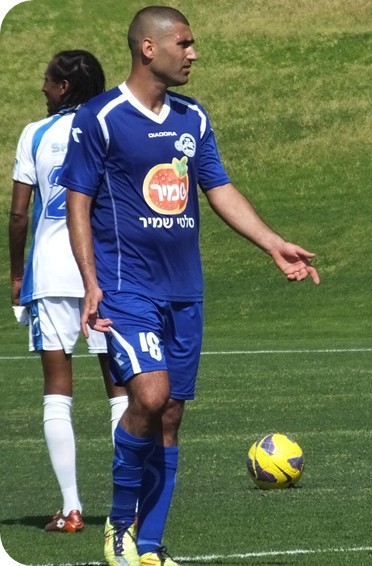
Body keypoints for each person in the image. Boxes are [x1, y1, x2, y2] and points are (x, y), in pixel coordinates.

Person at [59, 6, 320, 566]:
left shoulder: (192, 117)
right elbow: (77, 203)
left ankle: (151, 547)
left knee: (171, 415)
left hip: (185, 291)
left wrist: (272, 243)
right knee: (150, 396)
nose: (193, 53)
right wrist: (90, 282)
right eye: (185, 43)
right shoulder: (100, 118)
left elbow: (218, 187)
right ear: (148, 48)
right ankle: (119, 528)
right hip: (126, 289)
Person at [8, 50, 128, 533]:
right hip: (105, 272)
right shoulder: (110, 127)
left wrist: (16, 276)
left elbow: (19, 215)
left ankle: (72, 508)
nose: (42, 86)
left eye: (46, 79)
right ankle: (129, 508)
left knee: (58, 390)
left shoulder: (34, 134)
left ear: (62, 87)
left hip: (53, 272)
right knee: (119, 387)